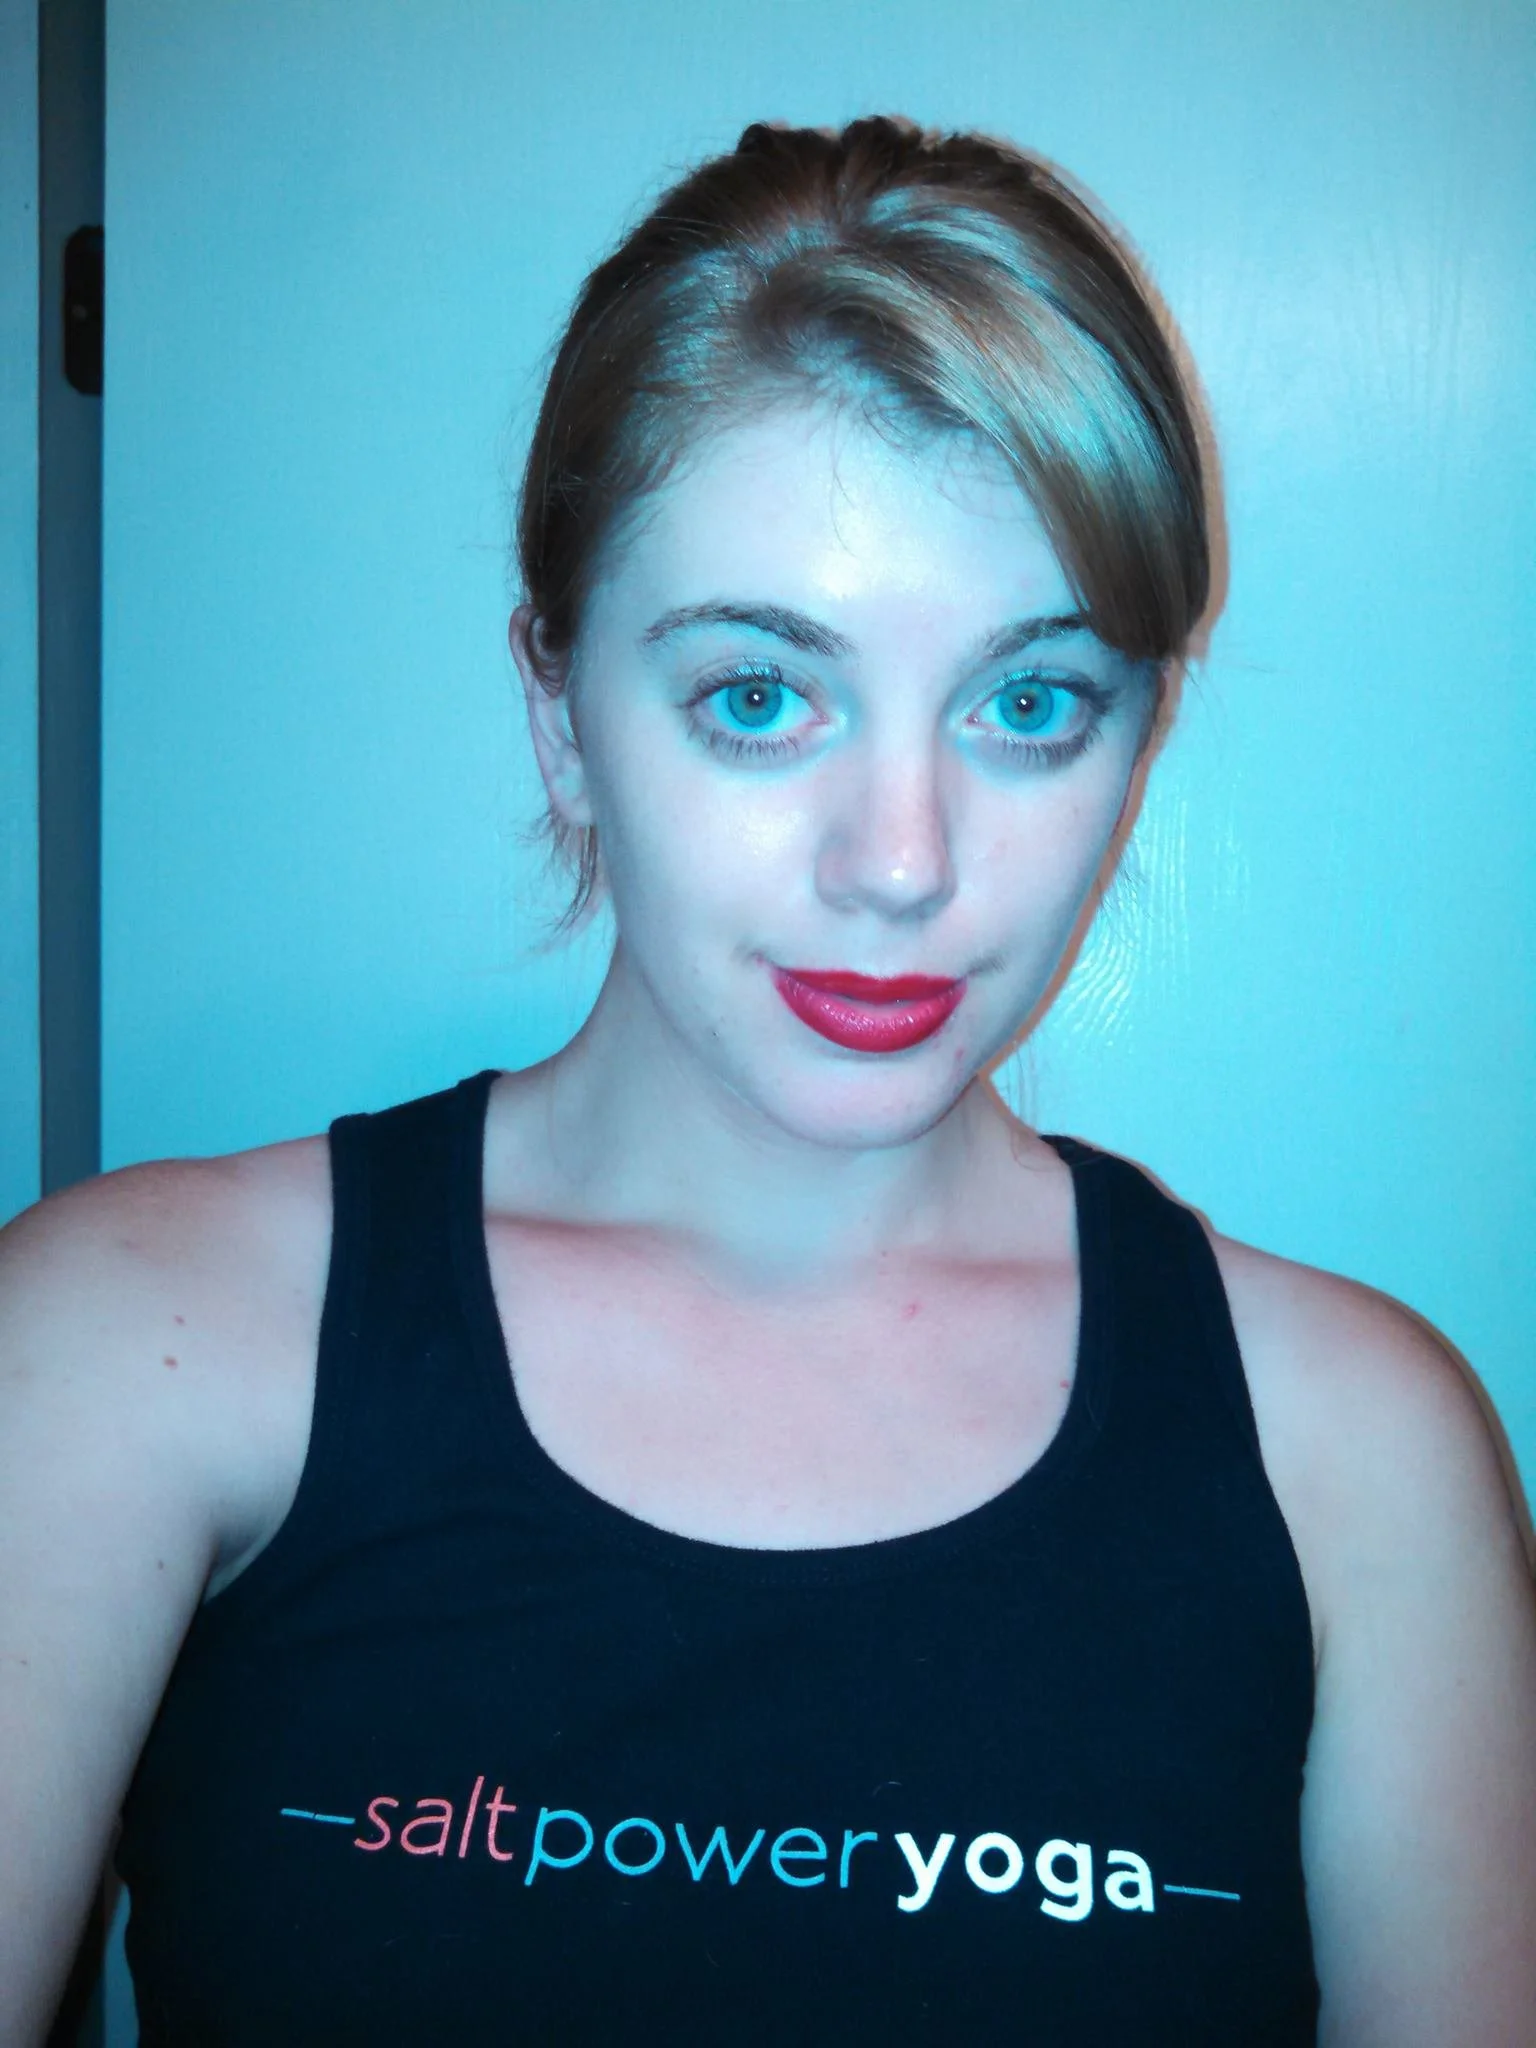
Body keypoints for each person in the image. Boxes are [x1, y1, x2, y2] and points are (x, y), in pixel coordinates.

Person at [2, 115, 1533, 2048]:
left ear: (1138, 735)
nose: (900, 861)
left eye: (1030, 703)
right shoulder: (127, 1344)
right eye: (758, 696)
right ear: (561, 717)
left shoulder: (1358, 1452)